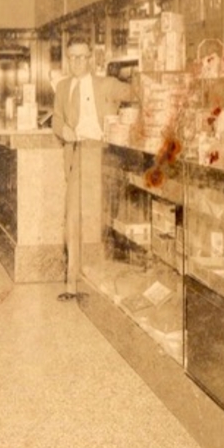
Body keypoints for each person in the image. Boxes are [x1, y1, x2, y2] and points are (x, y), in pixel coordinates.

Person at [52, 35, 136, 301]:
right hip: (78, 154)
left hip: (105, 155)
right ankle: (72, 283)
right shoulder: (63, 87)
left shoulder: (106, 84)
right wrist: (63, 128)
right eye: (72, 57)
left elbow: (136, 93)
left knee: (107, 217)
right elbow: (56, 117)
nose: (76, 62)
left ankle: (110, 282)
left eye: (81, 57)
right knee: (73, 217)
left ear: (91, 58)